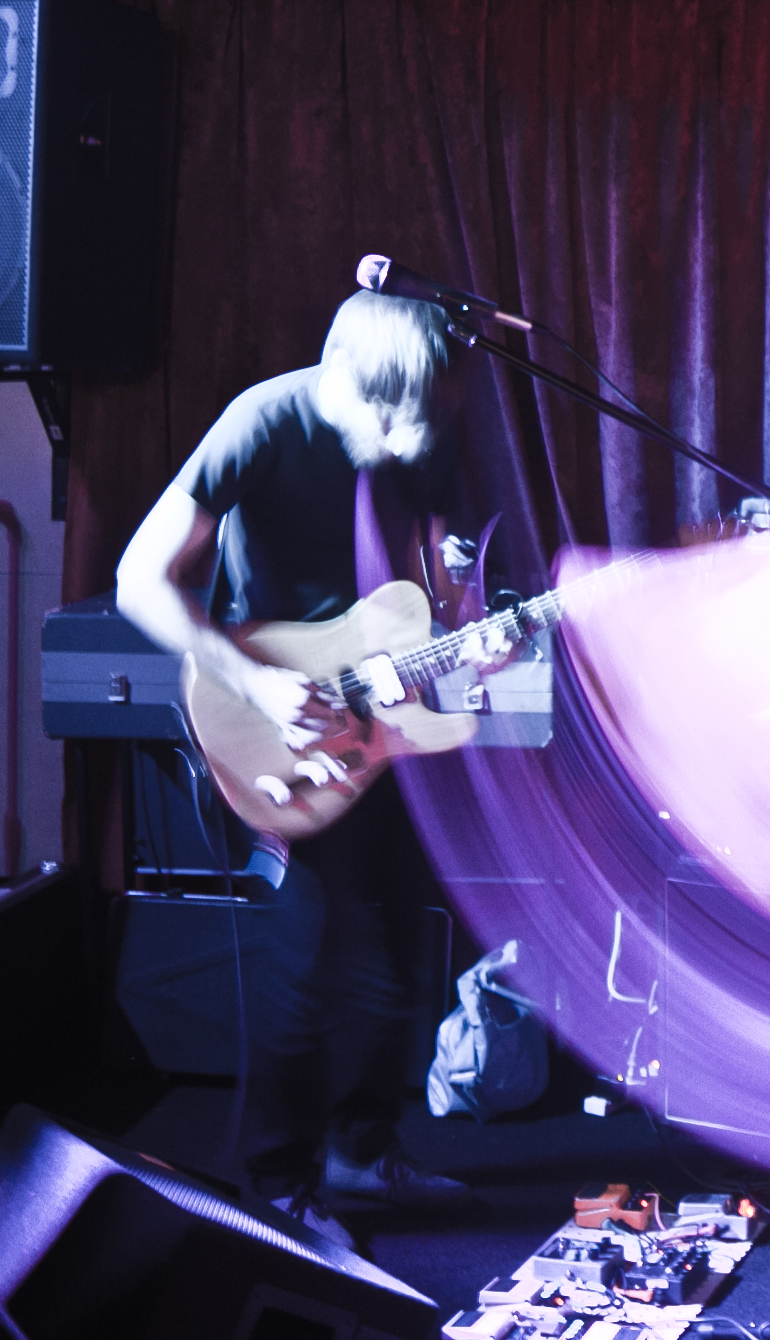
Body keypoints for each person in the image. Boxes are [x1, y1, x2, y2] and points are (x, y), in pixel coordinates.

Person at [116, 290, 482, 1248]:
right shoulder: (264, 420)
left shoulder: (426, 422)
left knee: (402, 956)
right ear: (355, 386)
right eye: (399, 423)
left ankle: (362, 1149)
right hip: (276, 718)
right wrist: (260, 686)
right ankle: (278, 1182)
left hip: (380, 716)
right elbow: (138, 576)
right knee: (311, 958)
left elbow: (432, 579)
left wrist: (460, 614)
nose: (412, 445)